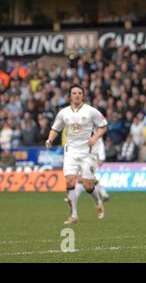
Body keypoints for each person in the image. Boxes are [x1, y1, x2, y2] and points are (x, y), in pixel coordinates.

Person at [46, 84, 108, 224]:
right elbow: (55, 128)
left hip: (87, 152)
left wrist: (94, 138)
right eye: (74, 93)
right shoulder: (63, 113)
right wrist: (50, 139)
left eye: (80, 93)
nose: (77, 95)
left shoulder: (91, 111)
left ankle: (98, 202)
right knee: (69, 181)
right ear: (69, 96)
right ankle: (74, 215)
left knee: (88, 186)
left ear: (83, 95)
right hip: (71, 151)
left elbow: (103, 127)